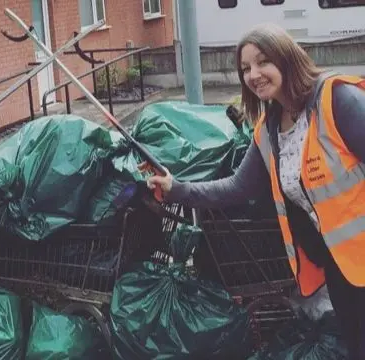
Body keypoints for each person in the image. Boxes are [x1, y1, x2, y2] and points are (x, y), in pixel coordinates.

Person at [140, 23, 365, 359]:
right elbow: (237, 187)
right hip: (343, 266)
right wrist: (176, 189)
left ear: (286, 59)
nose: (254, 74)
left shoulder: (336, 99)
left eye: (263, 62)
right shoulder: (270, 128)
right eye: (246, 68)